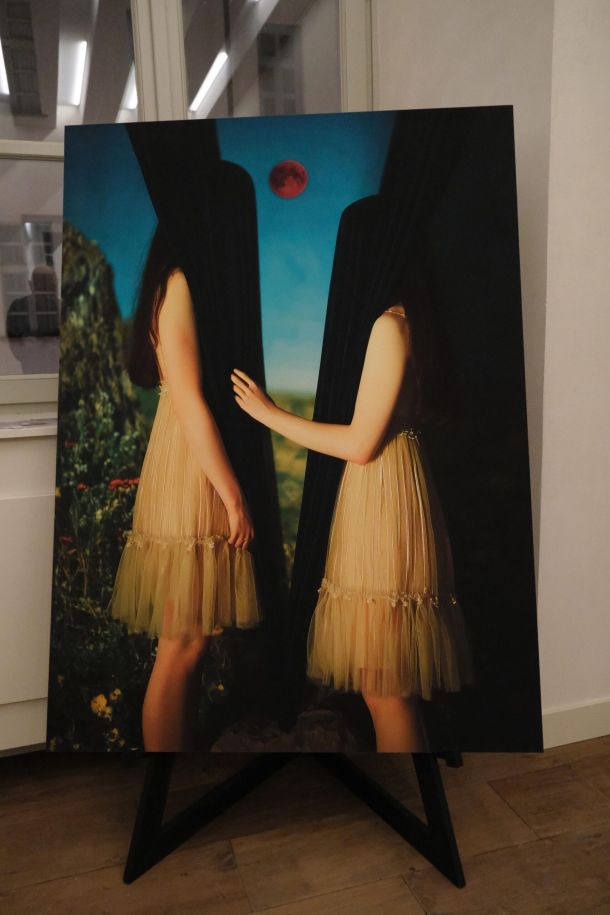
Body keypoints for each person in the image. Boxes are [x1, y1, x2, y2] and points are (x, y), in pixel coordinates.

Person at [230, 281, 472, 752]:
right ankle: (414, 779)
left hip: (385, 494)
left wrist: (268, 414)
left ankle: (407, 783)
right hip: (392, 487)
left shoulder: (390, 325)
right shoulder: (413, 323)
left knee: (386, 689)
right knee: (387, 688)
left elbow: (361, 445)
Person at [107, 224, 261, 752]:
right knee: (183, 644)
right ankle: (165, 771)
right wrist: (234, 499)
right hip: (188, 463)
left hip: (187, 456)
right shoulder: (178, 283)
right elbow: (191, 402)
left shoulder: (171, 284)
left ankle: (177, 757)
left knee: (190, 642)